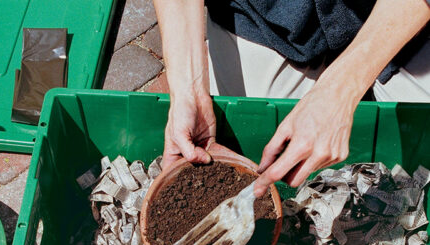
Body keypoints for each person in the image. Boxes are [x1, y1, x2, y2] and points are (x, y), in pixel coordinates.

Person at [153, 0, 430, 197]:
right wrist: (188, 90)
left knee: (421, 152)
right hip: (271, 14)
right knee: (257, 130)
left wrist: (339, 92)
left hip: (404, 12)